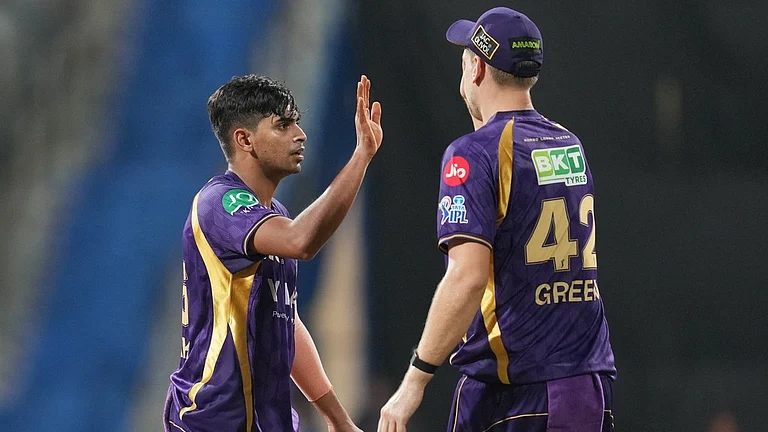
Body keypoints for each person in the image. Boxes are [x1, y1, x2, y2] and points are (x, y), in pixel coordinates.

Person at [378, 7, 616, 432]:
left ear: (477, 67)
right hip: (587, 385)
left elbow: (467, 276)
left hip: (514, 392)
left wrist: (414, 381)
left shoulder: (474, 152)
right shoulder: (567, 142)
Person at [164, 74, 382, 432]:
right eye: (283, 125)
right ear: (244, 139)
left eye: (296, 122)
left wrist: (338, 418)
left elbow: (285, 320)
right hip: (212, 422)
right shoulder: (220, 202)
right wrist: (361, 157)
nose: (300, 134)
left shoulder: (275, 217)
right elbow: (302, 241)